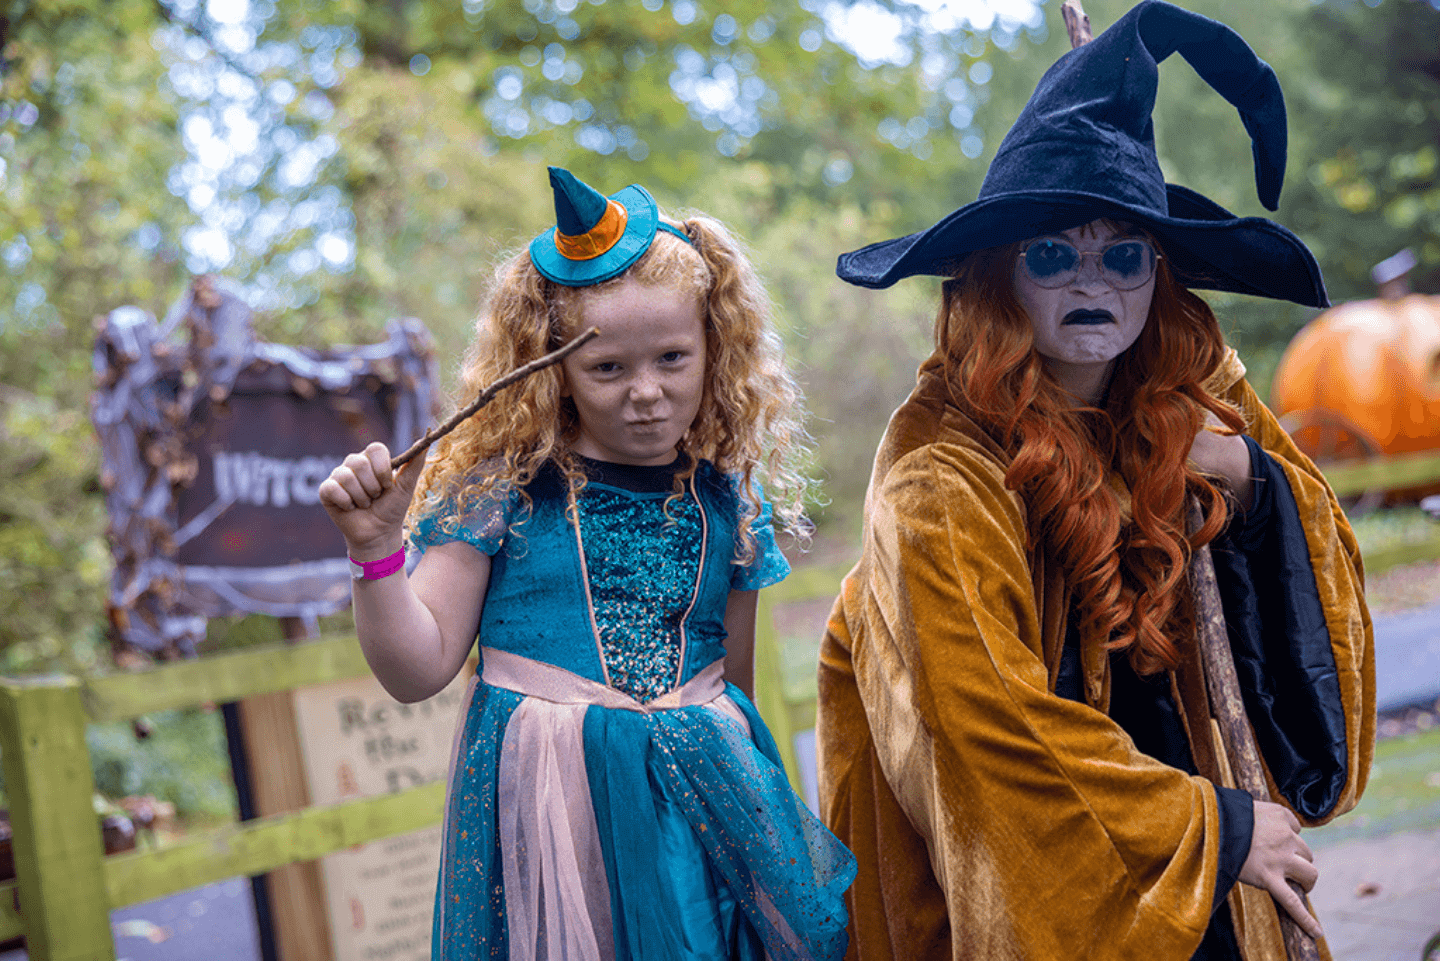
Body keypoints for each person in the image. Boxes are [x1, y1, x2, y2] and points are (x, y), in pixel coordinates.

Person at [814, 3, 1373, 960]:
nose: (1093, 283)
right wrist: (1217, 829)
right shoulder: (937, 476)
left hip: (1204, 839)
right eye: (1052, 254)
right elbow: (984, 727)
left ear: (1158, 273)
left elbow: (1325, 557)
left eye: (1123, 255)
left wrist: (1244, 479)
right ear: (995, 278)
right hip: (1066, 878)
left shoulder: (1201, 392)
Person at [320, 167, 856, 961]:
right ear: (554, 369)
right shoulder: (498, 492)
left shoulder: (730, 503)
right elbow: (415, 668)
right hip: (553, 828)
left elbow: (733, 691)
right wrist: (375, 552)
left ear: (715, 346)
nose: (646, 391)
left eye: (673, 357)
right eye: (608, 368)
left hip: (702, 824)